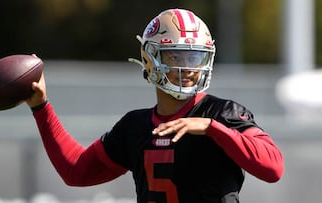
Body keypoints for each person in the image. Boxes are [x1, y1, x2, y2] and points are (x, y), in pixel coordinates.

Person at [26, 8, 284, 203]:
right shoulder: (135, 126)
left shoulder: (222, 113)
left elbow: (274, 168)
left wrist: (212, 128)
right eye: (177, 56)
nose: (189, 68)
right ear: (150, 58)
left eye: (195, 57)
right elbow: (76, 171)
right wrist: (41, 107)